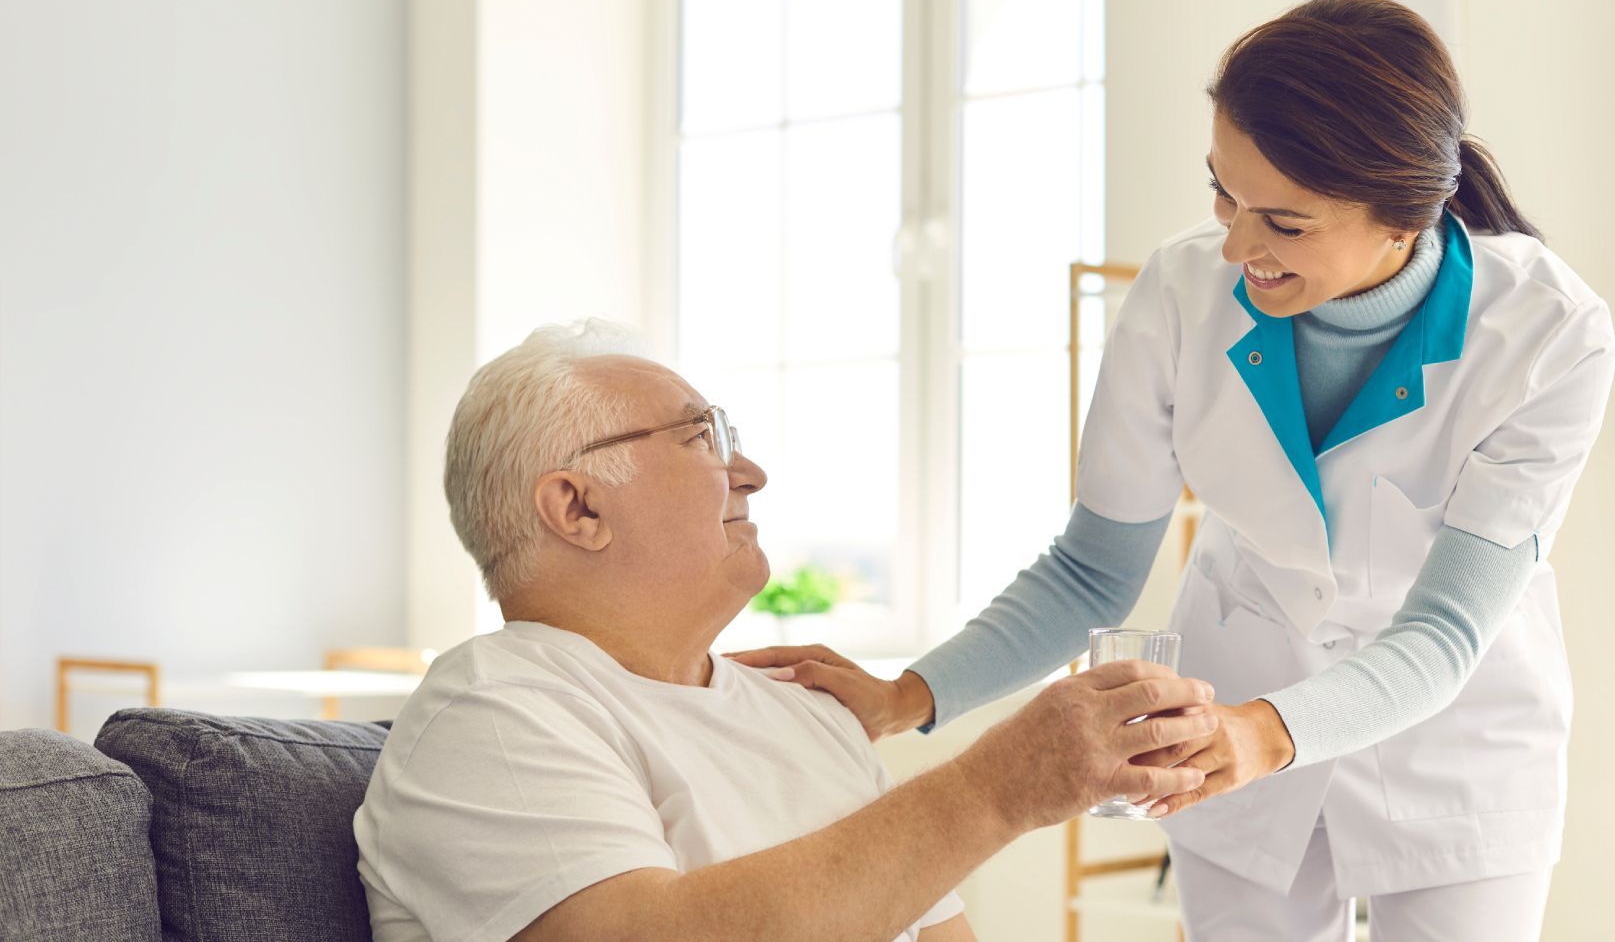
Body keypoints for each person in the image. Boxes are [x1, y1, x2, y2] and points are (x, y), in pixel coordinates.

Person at [733, 0, 1615, 942]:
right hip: (1226, 707)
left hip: (1454, 742)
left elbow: (1442, 631)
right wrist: (906, 697)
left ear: (1407, 214)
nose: (1238, 248)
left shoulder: (1546, 333)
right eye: (1223, 195)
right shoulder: (1183, 291)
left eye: (1284, 222)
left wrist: (1262, 732)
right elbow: (1092, 569)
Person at [351, 320, 1218, 942]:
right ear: (577, 506)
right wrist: (998, 785)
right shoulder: (496, 710)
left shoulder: (801, 711)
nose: (751, 474)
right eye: (702, 437)